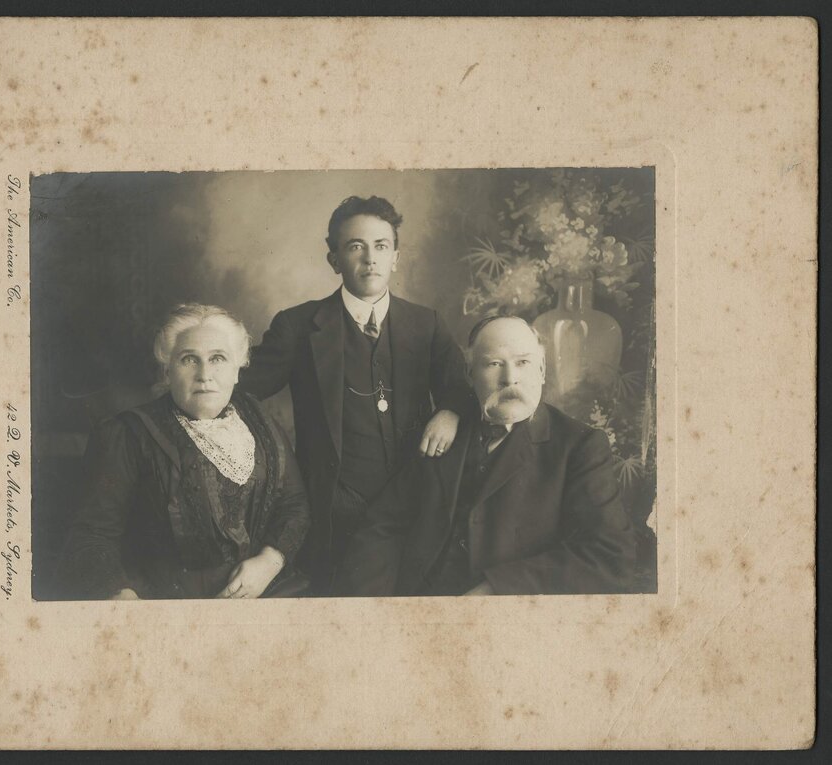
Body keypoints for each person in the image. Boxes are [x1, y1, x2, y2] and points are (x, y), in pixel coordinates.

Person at [239, 196, 471, 592]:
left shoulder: (425, 324)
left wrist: (449, 410)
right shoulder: (298, 326)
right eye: (355, 247)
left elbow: (462, 389)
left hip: (412, 500)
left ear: (396, 257)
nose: (370, 259)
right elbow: (243, 388)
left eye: (381, 246)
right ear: (334, 261)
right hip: (334, 508)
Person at [337, 315, 636, 597]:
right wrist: (372, 607)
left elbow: (610, 555)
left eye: (523, 363)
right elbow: (383, 525)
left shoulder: (579, 446)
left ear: (542, 370)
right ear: (469, 374)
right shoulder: (443, 431)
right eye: (494, 364)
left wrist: (497, 590)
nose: (510, 378)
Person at [59, 304, 310, 600]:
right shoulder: (127, 435)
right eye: (189, 360)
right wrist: (122, 597)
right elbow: (91, 536)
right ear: (167, 371)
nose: (205, 375)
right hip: (168, 605)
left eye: (218, 358)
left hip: (265, 590)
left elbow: (295, 504)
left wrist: (269, 563)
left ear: (237, 370)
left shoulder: (261, 422)